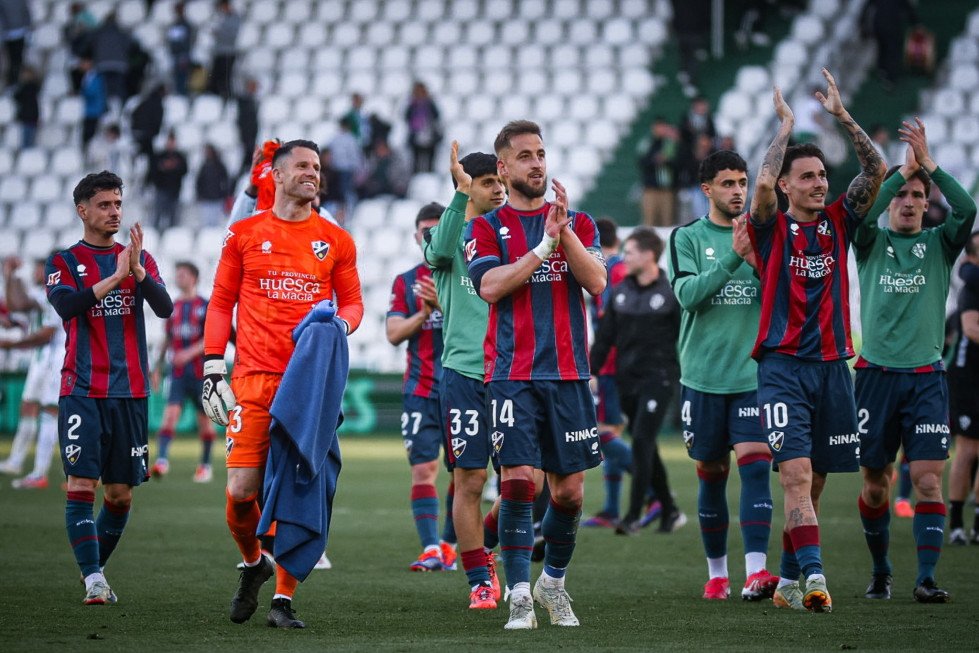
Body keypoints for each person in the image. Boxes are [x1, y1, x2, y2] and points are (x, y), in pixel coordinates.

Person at [202, 139, 363, 629]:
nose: (312, 173)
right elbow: (219, 301)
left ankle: (283, 601)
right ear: (275, 174)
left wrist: (337, 325)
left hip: (308, 387)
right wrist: (213, 365)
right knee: (239, 493)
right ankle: (254, 564)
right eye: (302, 166)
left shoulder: (336, 239)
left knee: (301, 489)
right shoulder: (243, 234)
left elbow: (354, 303)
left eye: (316, 167)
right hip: (250, 381)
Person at [745, 69, 886, 613]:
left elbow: (875, 168)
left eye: (822, 175)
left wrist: (842, 117)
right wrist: (785, 127)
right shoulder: (769, 225)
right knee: (797, 478)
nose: (819, 183)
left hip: (833, 369)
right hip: (782, 368)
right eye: (806, 177)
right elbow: (759, 187)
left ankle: (784, 580)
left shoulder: (838, 222)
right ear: (786, 185)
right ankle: (815, 581)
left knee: (818, 482)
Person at [465, 120, 607, 629]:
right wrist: (543, 248)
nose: (537, 163)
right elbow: (491, 287)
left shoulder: (579, 223)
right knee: (520, 484)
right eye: (525, 156)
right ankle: (520, 593)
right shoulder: (484, 226)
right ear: (503, 168)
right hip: (511, 373)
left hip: (569, 375)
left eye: (541, 153)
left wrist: (562, 231)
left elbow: (596, 281)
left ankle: (554, 584)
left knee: (569, 494)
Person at [853, 119, 976, 603]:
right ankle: (881, 570)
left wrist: (929, 167)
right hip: (875, 378)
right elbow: (861, 215)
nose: (906, 201)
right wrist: (894, 177)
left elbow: (967, 208)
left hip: (926, 378)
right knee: (877, 486)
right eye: (900, 196)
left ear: (927, 205)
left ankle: (925, 578)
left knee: (927, 480)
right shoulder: (870, 242)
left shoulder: (941, 245)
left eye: (916, 195)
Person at [45, 171, 174, 604]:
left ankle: (95, 571)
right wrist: (114, 279)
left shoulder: (138, 259)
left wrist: (136, 273)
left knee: (119, 495)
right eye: (105, 205)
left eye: (118, 204)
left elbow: (165, 308)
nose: (114, 211)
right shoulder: (64, 262)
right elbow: (67, 305)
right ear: (83, 211)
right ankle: (93, 578)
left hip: (131, 391)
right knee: (81, 484)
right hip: (82, 388)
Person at [668, 150, 777, 601]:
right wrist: (734, 258)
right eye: (728, 183)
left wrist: (754, 260)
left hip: (752, 376)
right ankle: (717, 575)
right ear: (707, 189)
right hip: (703, 377)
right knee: (711, 471)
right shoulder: (686, 237)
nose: (738, 191)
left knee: (755, 465)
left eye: (742, 182)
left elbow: (783, 294)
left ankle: (756, 571)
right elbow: (689, 295)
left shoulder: (768, 236)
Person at [425, 143, 509, 609]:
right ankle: (479, 578)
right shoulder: (447, 234)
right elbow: (437, 252)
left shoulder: (509, 233)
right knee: (470, 481)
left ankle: (484, 545)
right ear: (468, 187)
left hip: (513, 372)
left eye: (500, 181)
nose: (497, 189)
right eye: (487, 182)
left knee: (529, 484)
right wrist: (459, 196)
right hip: (463, 373)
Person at [590, 228, 686, 537]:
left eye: (629, 252)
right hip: (626, 381)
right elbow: (605, 338)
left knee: (643, 440)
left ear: (647, 255)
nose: (624, 257)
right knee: (646, 445)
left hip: (659, 379)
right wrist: (591, 370)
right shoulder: (620, 291)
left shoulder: (672, 291)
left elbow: (685, 337)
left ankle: (632, 516)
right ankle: (669, 509)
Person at [387, 203, 457, 572]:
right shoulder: (405, 281)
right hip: (420, 389)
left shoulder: (464, 273)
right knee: (424, 470)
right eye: (424, 232)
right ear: (416, 237)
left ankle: (448, 544)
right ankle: (431, 547)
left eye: (436, 230)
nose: (430, 237)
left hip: (462, 387)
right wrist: (424, 310)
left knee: (465, 473)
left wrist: (441, 304)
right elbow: (394, 333)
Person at [582, 218, 635, 529]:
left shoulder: (610, 270)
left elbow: (610, 319)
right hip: (624, 363)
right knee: (610, 429)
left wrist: (597, 364)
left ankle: (656, 492)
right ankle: (612, 509)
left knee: (603, 432)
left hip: (613, 365)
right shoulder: (624, 268)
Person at [0, 255, 67, 489]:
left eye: (41, 268)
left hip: (56, 359)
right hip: (41, 359)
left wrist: (13, 345)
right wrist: (10, 276)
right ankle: (16, 462)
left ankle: (40, 472)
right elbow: (16, 305)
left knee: (50, 412)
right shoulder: (43, 294)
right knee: (28, 406)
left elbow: (47, 333)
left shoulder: (58, 294)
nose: (36, 272)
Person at [150, 261, 217, 483]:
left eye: (183, 274)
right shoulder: (174, 308)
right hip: (178, 375)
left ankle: (205, 466)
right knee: (170, 417)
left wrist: (187, 354)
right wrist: (158, 368)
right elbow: (167, 340)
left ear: (194, 278)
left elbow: (211, 338)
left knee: (204, 423)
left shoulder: (204, 306)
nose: (179, 278)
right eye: (177, 275)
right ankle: (161, 461)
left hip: (200, 374)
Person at [948, 231, 979, 545]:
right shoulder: (972, 284)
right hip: (968, 376)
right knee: (967, 450)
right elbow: (971, 329)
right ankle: (956, 523)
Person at [638, 117, 679, 227]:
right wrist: (655, 160)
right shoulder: (647, 143)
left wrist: (667, 160)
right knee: (649, 222)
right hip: (650, 189)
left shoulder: (670, 144)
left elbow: (679, 163)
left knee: (667, 222)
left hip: (666, 189)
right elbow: (641, 162)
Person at [148, 130, 188, 231]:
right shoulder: (160, 156)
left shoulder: (180, 156)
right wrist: (163, 167)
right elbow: (153, 171)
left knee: (173, 216)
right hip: (161, 189)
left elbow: (185, 170)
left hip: (175, 190)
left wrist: (175, 166)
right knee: (158, 214)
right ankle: (155, 234)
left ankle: (171, 234)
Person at [405, 81, 442, 174]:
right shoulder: (412, 104)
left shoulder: (430, 104)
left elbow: (436, 116)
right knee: (416, 161)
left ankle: (430, 177)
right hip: (416, 135)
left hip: (430, 135)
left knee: (430, 161)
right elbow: (406, 117)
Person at [207, 0, 240, 101]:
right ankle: (216, 100)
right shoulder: (223, 18)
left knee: (225, 78)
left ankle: (228, 99)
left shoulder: (234, 18)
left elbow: (232, 35)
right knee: (217, 78)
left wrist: (219, 33)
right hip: (220, 52)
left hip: (227, 52)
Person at [195, 143, 232, 227]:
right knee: (207, 224)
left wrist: (225, 195)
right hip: (206, 199)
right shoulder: (204, 166)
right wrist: (199, 194)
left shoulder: (220, 166)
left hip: (218, 199)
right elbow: (199, 182)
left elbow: (225, 182)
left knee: (217, 224)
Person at [166, 1, 195, 96]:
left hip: (182, 55)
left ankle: (182, 97)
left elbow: (184, 41)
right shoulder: (176, 24)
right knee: (178, 77)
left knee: (182, 78)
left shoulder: (184, 24)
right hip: (177, 55)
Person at [0, 0, 31, 89]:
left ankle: (13, 83)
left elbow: (26, 13)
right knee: (11, 61)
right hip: (8, 34)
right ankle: (10, 83)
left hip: (17, 33)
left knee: (16, 61)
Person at [78, 59, 107, 155]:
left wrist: (81, 93)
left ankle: (90, 153)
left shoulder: (98, 76)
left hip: (94, 109)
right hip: (89, 109)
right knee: (86, 133)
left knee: (91, 133)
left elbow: (94, 92)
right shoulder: (87, 76)